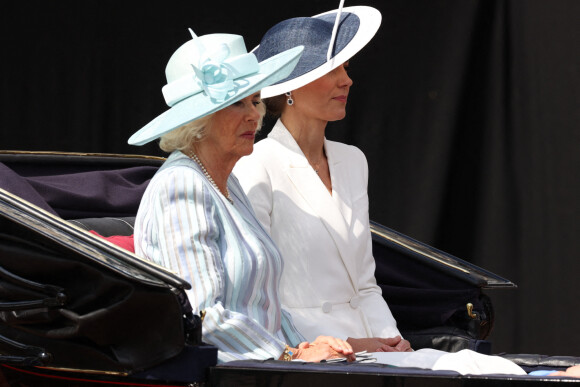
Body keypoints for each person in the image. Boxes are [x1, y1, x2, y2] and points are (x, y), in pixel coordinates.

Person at [128, 29, 354, 364]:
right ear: (197, 119)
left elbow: (264, 306)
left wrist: (303, 346)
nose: (254, 115)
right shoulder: (182, 184)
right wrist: (288, 354)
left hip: (260, 368)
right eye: (236, 103)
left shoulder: (228, 183)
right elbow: (201, 315)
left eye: (255, 100)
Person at [233, 5, 411, 354]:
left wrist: (393, 341)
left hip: (374, 348)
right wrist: (344, 345)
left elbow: (365, 284)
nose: (347, 80)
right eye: (332, 69)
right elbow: (259, 292)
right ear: (290, 88)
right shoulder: (257, 164)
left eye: (345, 67)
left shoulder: (353, 160)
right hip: (312, 352)